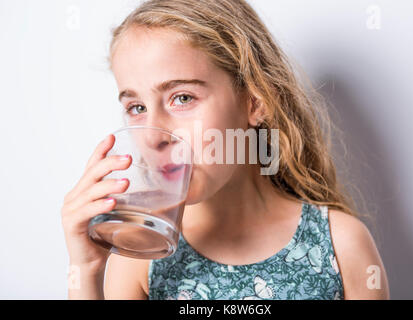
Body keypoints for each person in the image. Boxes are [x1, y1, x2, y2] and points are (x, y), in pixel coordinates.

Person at [61, 0, 389, 300]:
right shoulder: (140, 256)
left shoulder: (341, 245)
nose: (153, 136)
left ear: (255, 101)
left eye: (183, 98)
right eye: (136, 107)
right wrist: (86, 270)